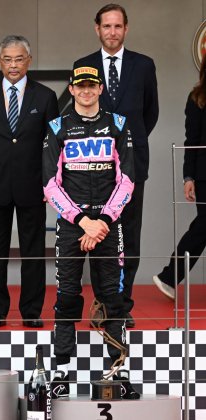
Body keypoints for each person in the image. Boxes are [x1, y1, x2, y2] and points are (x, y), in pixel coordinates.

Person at [43, 66, 139, 400]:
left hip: (109, 222)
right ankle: (62, 365)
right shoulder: (58, 128)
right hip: (73, 223)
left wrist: (104, 221)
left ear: (100, 89)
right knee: (67, 294)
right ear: (71, 89)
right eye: (80, 85)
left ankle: (118, 362)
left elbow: (128, 179)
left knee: (112, 294)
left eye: (91, 85)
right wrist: (84, 221)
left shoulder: (118, 124)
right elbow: (50, 185)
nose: (86, 91)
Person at [74, 3, 158, 327]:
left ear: (126, 29)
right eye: (106, 26)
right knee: (98, 235)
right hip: (92, 166)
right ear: (97, 29)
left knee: (129, 237)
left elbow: (149, 113)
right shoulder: (84, 65)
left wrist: (126, 142)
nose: (112, 32)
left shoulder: (143, 65)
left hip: (131, 165)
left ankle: (122, 305)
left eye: (117, 26)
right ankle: (103, 304)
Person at [0, 35, 58, 329]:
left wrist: (51, 184)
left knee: (33, 252)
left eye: (19, 59)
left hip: (34, 185)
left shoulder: (45, 97)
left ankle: (32, 311)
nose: (14, 65)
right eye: (8, 59)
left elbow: (53, 145)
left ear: (29, 61)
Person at [153, 57, 206, 300]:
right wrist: (188, 177)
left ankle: (169, 277)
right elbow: (192, 141)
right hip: (205, 175)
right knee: (204, 225)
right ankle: (169, 277)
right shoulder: (197, 98)